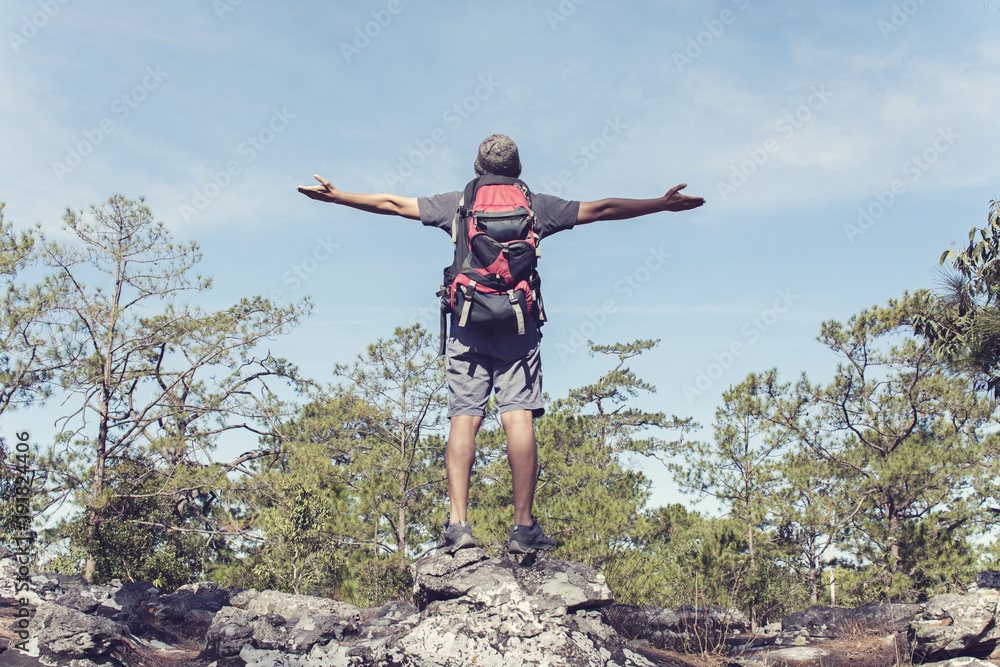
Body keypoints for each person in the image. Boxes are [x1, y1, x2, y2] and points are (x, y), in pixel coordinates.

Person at [297, 134, 705, 555]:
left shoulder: (457, 203)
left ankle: (458, 527)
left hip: (468, 325)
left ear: (477, 166)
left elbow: (393, 203)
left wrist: (338, 196)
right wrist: (660, 203)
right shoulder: (535, 205)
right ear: (518, 168)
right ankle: (523, 528)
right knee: (518, 419)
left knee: (464, 419)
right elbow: (602, 209)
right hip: (519, 327)